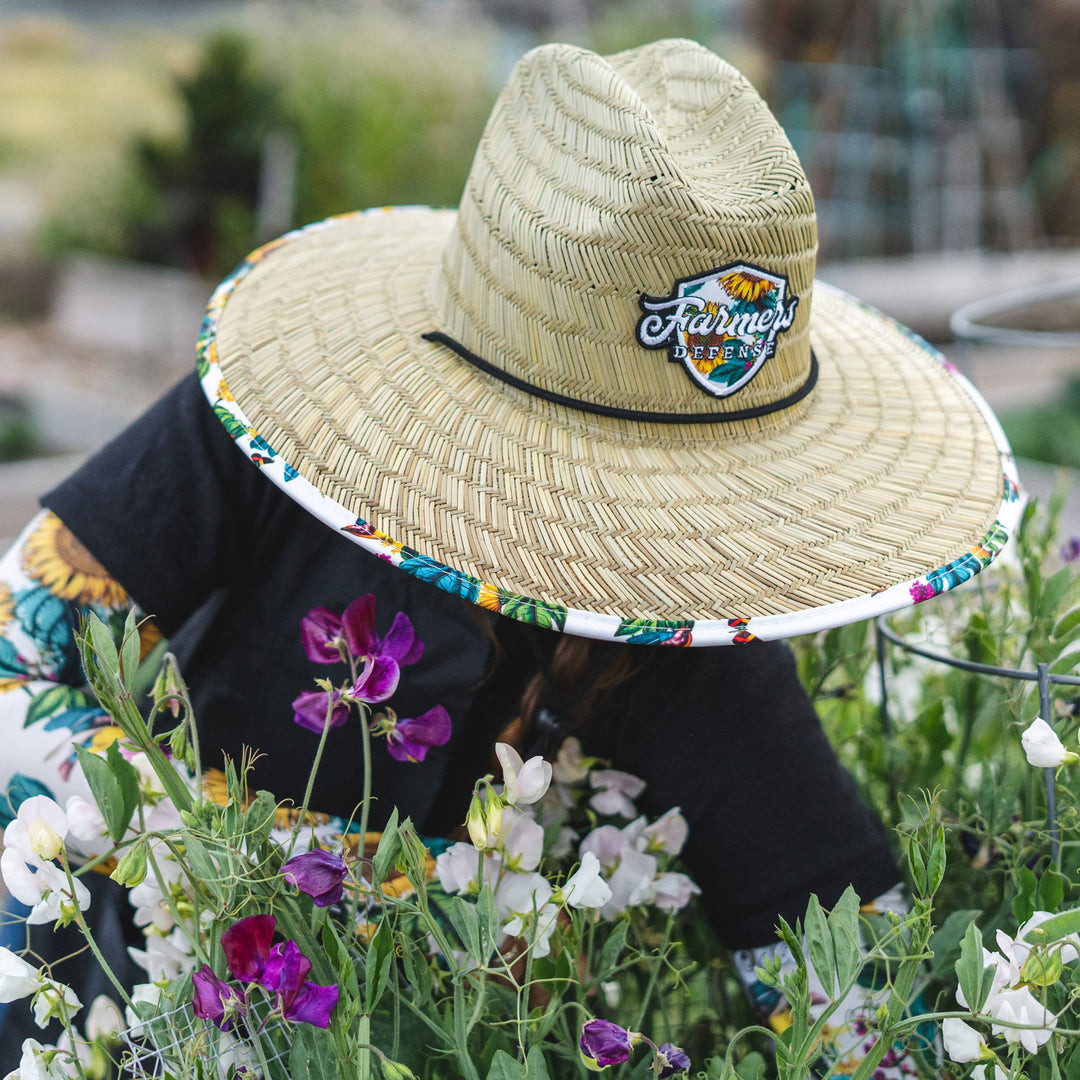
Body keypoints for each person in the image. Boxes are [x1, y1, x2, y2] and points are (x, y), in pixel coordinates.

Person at [0, 37, 1019, 1074]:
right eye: (621, 477)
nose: (649, 531)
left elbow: (861, 989)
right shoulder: (279, 437)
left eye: (691, 486)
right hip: (103, 1002)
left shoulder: (684, 610)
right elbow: (17, 659)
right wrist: (249, 861)